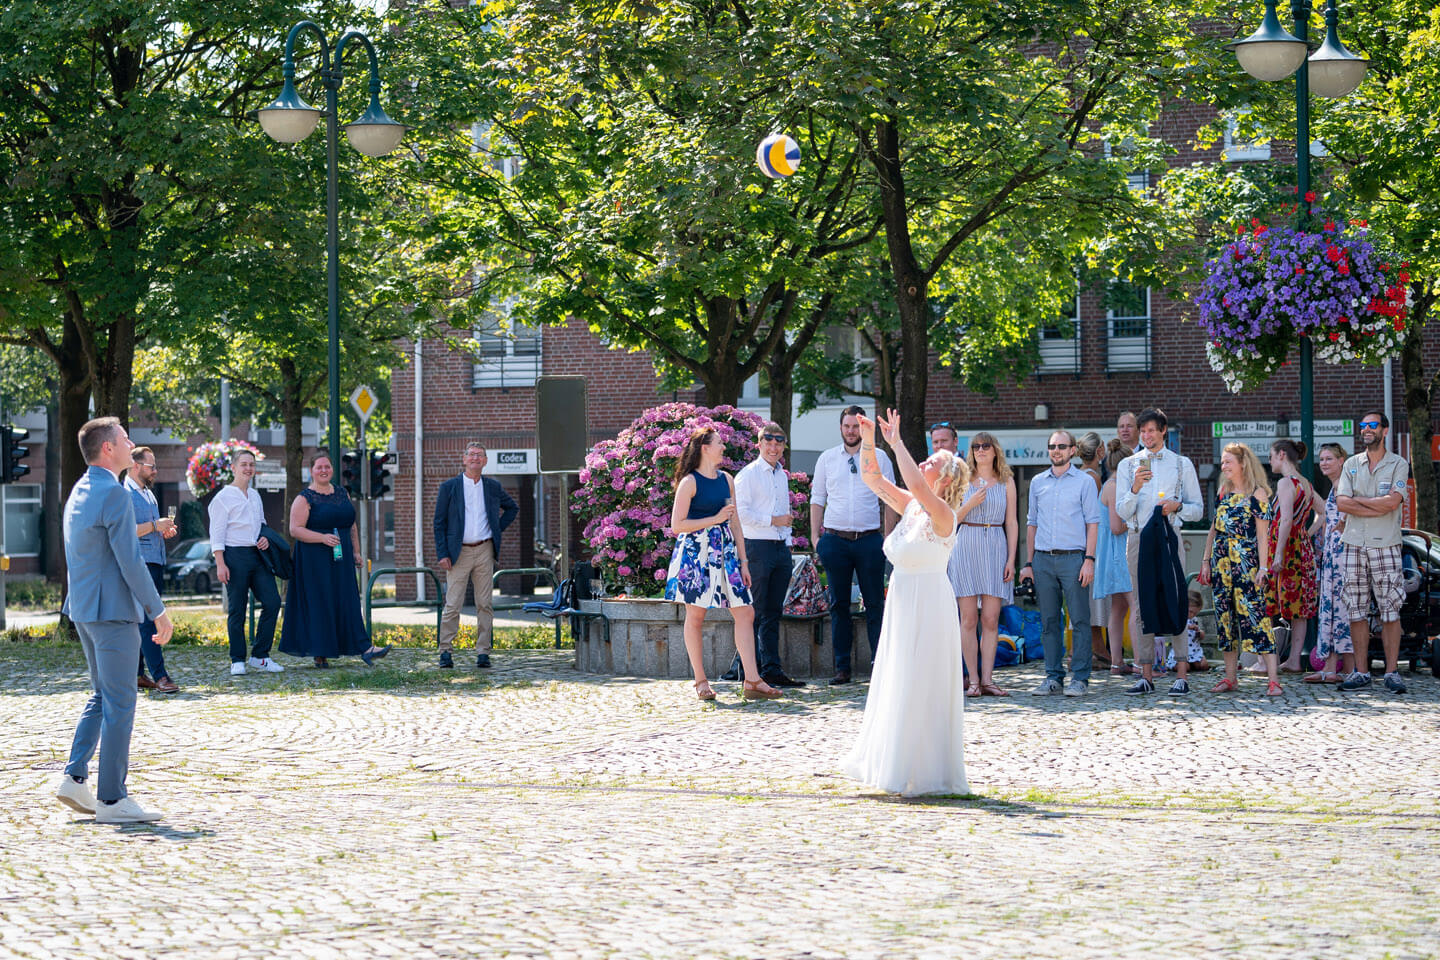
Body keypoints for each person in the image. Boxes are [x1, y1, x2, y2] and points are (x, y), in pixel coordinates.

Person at [841, 410, 971, 796]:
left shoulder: (942, 512)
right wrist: (869, 440)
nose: (926, 460)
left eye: (934, 460)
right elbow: (872, 478)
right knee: (898, 678)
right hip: (902, 598)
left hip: (929, 603)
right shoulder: (912, 505)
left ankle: (926, 770)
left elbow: (916, 482)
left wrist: (896, 441)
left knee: (922, 681)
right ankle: (894, 762)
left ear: (945, 478)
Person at [56, 417, 174, 824]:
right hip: (112, 612)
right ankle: (111, 799)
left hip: (84, 608)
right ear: (108, 448)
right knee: (121, 701)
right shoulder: (115, 495)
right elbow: (131, 560)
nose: (130, 443)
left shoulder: (80, 490)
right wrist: (157, 610)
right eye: (125, 438)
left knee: (104, 695)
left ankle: (74, 777)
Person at [663, 426, 781, 701]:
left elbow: (736, 522)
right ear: (705, 447)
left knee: (745, 612)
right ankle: (701, 682)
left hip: (726, 552)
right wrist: (714, 519)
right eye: (719, 443)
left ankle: (752, 680)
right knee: (696, 616)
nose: (724, 448)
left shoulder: (727, 480)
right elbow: (677, 525)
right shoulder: (689, 482)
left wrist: (744, 561)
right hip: (696, 553)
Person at [1115, 408, 1202, 696]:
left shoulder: (1181, 464)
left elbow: (1198, 510)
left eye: (1152, 430)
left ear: (1163, 431)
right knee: (1142, 603)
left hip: (1169, 537)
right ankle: (1146, 674)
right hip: (1138, 537)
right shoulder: (1128, 465)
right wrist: (1136, 488)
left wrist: (1177, 507)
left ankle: (1181, 674)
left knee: (1175, 598)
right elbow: (1122, 511)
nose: (1147, 435)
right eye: (1143, 431)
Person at [810, 405, 898, 685]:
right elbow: (817, 498)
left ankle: (879, 665)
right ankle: (842, 667)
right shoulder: (826, 459)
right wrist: (815, 537)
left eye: (856, 427)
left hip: (870, 540)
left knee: (875, 603)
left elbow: (891, 499)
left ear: (864, 429)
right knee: (838, 605)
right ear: (840, 428)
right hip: (835, 540)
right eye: (847, 426)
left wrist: (888, 538)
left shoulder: (880, 457)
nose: (851, 431)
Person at [279, 451, 391, 668]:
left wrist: (357, 552)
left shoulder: (342, 493)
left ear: (332, 469)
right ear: (311, 471)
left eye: (327, 467)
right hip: (314, 561)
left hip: (341, 558)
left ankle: (365, 648)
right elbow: (295, 530)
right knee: (321, 603)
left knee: (347, 600)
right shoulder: (304, 498)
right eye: (319, 467)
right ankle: (320, 652)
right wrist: (321, 537)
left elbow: (352, 524)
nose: (323, 470)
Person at [1019, 429, 1100, 697]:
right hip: (1042, 559)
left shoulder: (1084, 482)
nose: (1056, 450)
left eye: (1062, 446)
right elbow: (1031, 524)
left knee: (1079, 619)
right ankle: (1053, 677)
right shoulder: (1038, 482)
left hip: (1074, 559)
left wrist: (1089, 559)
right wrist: (1028, 563)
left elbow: (1092, 523)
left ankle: (1080, 678)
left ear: (1073, 450)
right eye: (1052, 446)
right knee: (1049, 621)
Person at [1335, 412, 1410, 694]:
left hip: (1386, 544)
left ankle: (1391, 672)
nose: (1366, 430)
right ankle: (1361, 672)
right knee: (1356, 609)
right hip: (1353, 543)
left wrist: (1359, 502)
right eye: (1363, 426)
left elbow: (1393, 503)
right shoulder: (1352, 463)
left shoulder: (1398, 464)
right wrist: (1374, 504)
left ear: (1385, 430)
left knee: (1390, 609)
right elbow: (1342, 502)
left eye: (1372, 425)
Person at [726, 422, 805, 688]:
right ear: (759, 445)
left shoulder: (781, 475)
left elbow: (785, 516)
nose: (773, 447)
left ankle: (772, 669)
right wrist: (774, 520)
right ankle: (744, 670)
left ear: (783, 446)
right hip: (756, 548)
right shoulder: (747, 475)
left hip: (779, 549)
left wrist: (787, 541)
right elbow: (740, 513)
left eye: (778, 443)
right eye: (768, 442)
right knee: (753, 612)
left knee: (773, 612)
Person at [1199, 443, 1280, 695]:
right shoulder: (1224, 491)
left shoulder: (1258, 494)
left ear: (1243, 463)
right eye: (1222, 462)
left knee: (1257, 619)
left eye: (1228, 462)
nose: (1224, 466)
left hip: (1246, 565)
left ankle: (1274, 680)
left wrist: (1263, 568)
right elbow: (1213, 528)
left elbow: (1263, 535)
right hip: (1221, 564)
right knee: (1225, 621)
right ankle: (1230, 677)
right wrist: (1205, 560)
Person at [433, 443, 519, 669]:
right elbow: (439, 522)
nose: (475, 458)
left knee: (485, 604)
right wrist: (442, 553)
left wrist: (496, 529)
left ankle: (483, 652)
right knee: (453, 604)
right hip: (457, 552)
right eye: (471, 455)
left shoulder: (492, 486)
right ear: (464, 459)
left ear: (485, 461)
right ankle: (445, 651)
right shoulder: (449, 487)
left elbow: (512, 508)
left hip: (484, 550)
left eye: (480, 455)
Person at [947, 430, 1018, 697]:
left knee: (990, 619)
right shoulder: (962, 480)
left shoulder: (1006, 481)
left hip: (995, 546)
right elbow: (951, 518)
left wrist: (1012, 558)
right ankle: (973, 680)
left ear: (995, 450)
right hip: (966, 544)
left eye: (986, 445)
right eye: (976, 446)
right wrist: (971, 503)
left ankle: (988, 679)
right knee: (968, 619)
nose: (980, 450)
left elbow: (1011, 522)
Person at [211, 448, 283, 675]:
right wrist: (220, 564)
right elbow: (217, 533)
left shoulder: (255, 495)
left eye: (251, 464)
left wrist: (263, 538)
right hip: (234, 557)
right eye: (243, 464)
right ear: (233, 467)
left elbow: (261, 524)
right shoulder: (222, 498)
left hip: (257, 556)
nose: (248, 468)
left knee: (272, 602)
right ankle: (237, 660)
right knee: (237, 610)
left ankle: (260, 656)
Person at [125, 447, 179, 694]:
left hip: (154, 561)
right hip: (139, 564)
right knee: (149, 620)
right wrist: (154, 525)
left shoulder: (148, 494)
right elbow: (125, 531)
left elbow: (149, 528)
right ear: (136, 466)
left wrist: (162, 531)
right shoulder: (123, 493)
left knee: (142, 619)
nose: (155, 470)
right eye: (151, 466)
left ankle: (136, 674)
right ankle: (161, 675)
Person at [1305, 442, 1354, 684]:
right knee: (1333, 610)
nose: (1324, 462)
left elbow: (1352, 512)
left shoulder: (1347, 484)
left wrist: (1345, 524)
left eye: (1329, 459)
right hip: (1332, 554)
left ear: (1341, 460)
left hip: (1344, 554)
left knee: (1343, 609)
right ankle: (1332, 667)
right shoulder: (1334, 486)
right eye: (1322, 459)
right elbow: (1325, 514)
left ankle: (1349, 669)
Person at [1095, 441, 1134, 676]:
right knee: (1136, 607)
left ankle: (1117, 662)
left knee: (1118, 609)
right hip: (1120, 554)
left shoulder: (1113, 484)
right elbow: (1117, 527)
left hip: (1113, 554)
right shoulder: (1115, 486)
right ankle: (1140, 661)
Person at [1075, 431, 1108, 664]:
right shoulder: (1093, 478)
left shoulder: (1077, 475)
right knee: (1093, 597)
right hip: (1090, 542)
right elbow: (1093, 516)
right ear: (1099, 452)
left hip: (1079, 541)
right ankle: (1096, 648)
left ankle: (1091, 648)